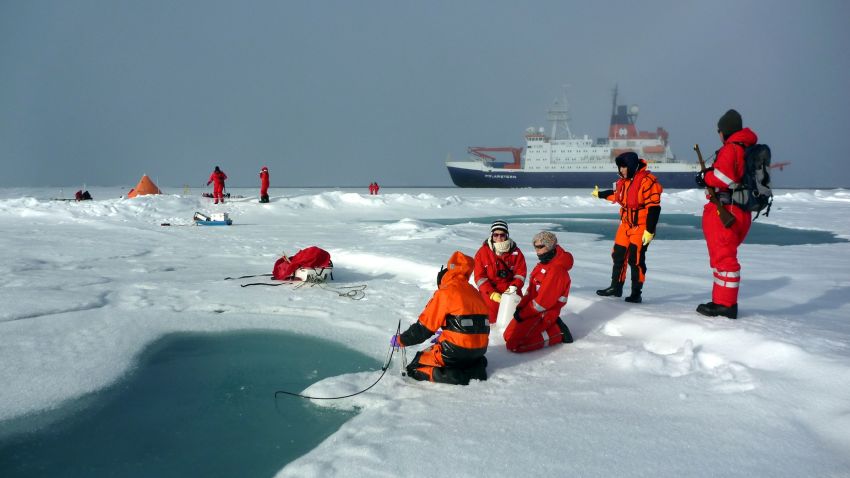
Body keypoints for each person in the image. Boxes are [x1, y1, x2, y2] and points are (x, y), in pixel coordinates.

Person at [694, 109, 758, 319]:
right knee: (724, 258)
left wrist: (706, 177)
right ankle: (721, 301)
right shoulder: (748, 148)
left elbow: (724, 177)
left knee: (724, 259)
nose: (719, 135)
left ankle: (725, 305)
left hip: (726, 212)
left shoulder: (731, 149)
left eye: (719, 131)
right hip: (740, 211)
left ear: (724, 131)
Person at [391, 251, 490, 385]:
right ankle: (475, 369)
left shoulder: (445, 292)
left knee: (415, 366)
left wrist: (401, 339)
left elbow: (423, 329)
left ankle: (456, 376)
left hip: (455, 351)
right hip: (479, 351)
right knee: (466, 359)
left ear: (443, 279)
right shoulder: (475, 292)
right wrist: (448, 331)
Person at [592, 151, 663, 303]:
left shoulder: (648, 181)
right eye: (619, 167)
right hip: (625, 225)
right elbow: (617, 195)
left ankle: (636, 293)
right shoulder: (623, 182)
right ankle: (615, 287)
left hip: (641, 226)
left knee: (635, 259)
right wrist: (600, 194)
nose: (621, 170)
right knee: (617, 255)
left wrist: (649, 231)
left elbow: (654, 207)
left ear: (631, 166)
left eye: (624, 167)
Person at [504, 231, 574, 353]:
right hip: (532, 311)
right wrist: (520, 307)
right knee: (507, 336)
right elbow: (531, 290)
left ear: (550, 246)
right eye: (535, 247)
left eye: (540, 247)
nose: (537, 250)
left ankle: (557, 332)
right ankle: (549, 326)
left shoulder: (556, 271)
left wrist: (523, 315)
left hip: (545, 313)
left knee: (514, 345)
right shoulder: (543, 265)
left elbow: (542, 304)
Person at [473, 220, 527, 324]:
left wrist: (514, 287)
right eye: (495, 235)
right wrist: (492, 293)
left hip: (511, 290)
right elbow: (479, 277)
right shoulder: (482, 252)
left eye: (502, 235)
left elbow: (520, 274)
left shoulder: (516, 252)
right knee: (490, 320)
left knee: (515, 319)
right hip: (491, 291)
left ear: (507, 235)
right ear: (491, 235)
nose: (499, 238)